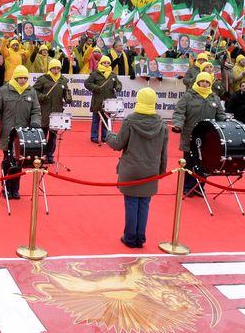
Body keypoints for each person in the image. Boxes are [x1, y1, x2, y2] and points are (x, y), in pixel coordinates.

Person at [106, 87, 167, 249]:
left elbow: (117, 144)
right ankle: (140, 237)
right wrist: (161, 172)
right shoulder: (161, 124)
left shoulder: (130, 121)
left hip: (131, 168)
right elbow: (163, 151)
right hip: (151, 168)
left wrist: (109, 134)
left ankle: (130, 237)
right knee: (144, 204)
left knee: (131, 203)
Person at [0, 65, 42, 200]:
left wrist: (35, 123)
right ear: (15, 77)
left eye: (25, 78)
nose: (23, 81)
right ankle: (5, 188)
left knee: (19, 162)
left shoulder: (31, 92)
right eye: (20, 78)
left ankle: (15, 189)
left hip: (23, 135)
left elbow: (36, 110)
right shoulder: (4, 90)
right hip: (7, 133)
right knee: (7, 161)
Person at [172, 71, 227, 196]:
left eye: (207, 82)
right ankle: (187, 187)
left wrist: (226, 122)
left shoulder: (214, 98)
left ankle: (199, 187)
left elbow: (220, 115)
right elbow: (179, 112)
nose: (204, 84)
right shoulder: (188, 96)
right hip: (190, 135)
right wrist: (178, 124)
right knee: (190, 162)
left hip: (208, 137)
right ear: (197, 81)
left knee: (205, 162)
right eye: (202, 81)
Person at [33, 58, 72, 162]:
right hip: (44, 111)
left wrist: (68, 97)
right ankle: (40, 155)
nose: (56, 70)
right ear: (50, 68)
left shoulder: (62, 80)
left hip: (56, 111)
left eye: (58, 68)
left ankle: (50, 155)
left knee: (53, 136)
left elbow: (66, 92)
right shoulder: (43, 79)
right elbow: (34, 91)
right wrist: (41, 96)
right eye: (54, 68)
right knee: (43, 134)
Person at [85, 55, 121, 143]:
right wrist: (95, 87)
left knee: (106, 119)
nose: (106, 64)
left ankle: (105, 136)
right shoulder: (95, 74)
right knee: (96, 119)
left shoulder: (113, 75)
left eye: (108, 63)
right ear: (101, 63)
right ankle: (94, 136)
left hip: (109, 101)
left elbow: (118, 84)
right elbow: (87, 83)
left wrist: (118, 87)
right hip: (97, 100)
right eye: (104, 63)